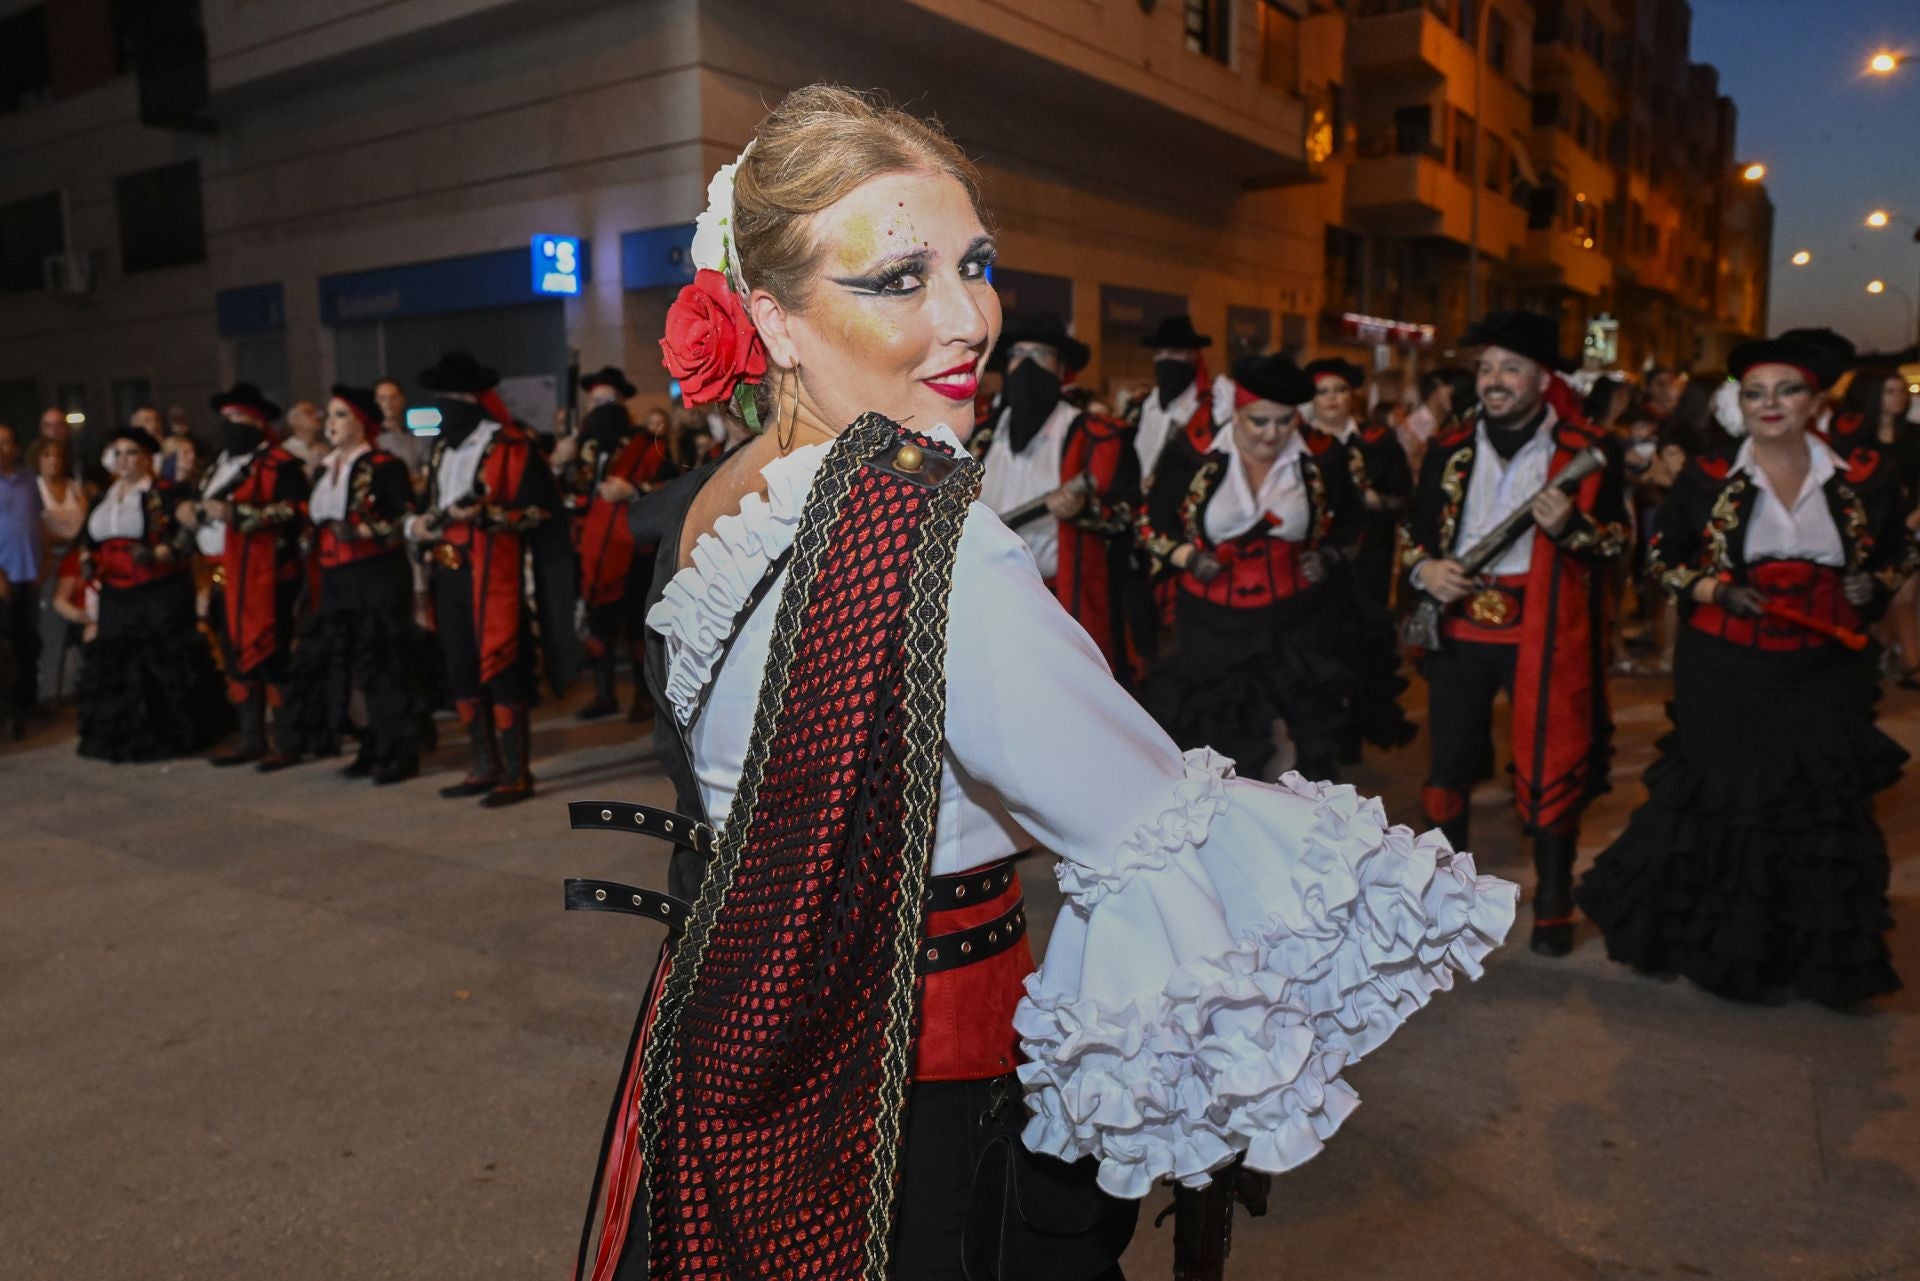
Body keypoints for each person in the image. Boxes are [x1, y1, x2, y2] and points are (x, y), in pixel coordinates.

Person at [570, 84, 1516, 1281]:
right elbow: (1145, 828)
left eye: (976, 262)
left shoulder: (725, 495)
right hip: (905, 1079)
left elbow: (804, 771)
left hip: (731, 1034)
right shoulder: (929, 538)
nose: (970, 317)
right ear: (776, 317)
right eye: (897, 279)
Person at [1577, 334, 1913, 1007]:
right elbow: (1661, 560)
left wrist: (1870, 584)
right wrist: (1713, 590)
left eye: (1786, 391)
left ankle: (1813, 958)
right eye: (1755, 393)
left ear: (1815, 401)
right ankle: (1722, 946)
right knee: (1728, 801)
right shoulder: (1707, 475)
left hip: (1824, 669)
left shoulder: (1862, 473)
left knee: (1816, 805)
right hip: (1725, 669)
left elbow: (1901, 546)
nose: (1770, 405)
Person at [1402, 308, 1628, 957]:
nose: (1495, 380)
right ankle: (1451, 896)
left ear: (1542, 378)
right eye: (1487, 368)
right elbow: (1414, 532)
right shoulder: (1448, 447)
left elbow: (1617, 543)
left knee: (1552, 753)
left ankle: (1553, 900)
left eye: (1511, 368)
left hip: (1545, 622)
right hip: (1462, 617)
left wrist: (1570, 529)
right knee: (1449, 759)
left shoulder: (1585, 450)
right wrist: (1426, 569)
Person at [1135, 354, 1410, 782]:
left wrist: (1329, 555)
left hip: (1298, 616)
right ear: (1237, 412)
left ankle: (1289, 831)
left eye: (1284, 422)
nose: (1272, 433)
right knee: (1223, 736)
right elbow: (1150, 518)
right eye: (1258, 421)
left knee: (1294, 734)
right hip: (1211, 623)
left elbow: (1355, 523)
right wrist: (1185, 557)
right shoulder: (1194, 453)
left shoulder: (1322, 455)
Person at [404, 350, 575, 807]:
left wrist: (489, 514)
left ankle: (517, 773)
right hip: (449, 571)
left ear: (468, 397)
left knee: (501, 666)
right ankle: (484, 765)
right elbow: (432, 503)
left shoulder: (511, 444)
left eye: (447, 397)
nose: (442, 406)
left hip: (494, 573)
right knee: (460, 666)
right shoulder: (441, 447)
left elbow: (543, 511)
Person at [974, 312, 1145, 681]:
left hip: (1062, 602)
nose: (1028, 366)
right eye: (1019, 355)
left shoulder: (1100, 439)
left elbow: (1131, 516)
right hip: (984, 598)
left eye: (1042, 356)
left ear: (1063, 370)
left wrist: (1086, 510)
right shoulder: (978, 435)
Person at [283, 385, 425, 783]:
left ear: (362, 423)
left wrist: (363, 529)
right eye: (329, 416)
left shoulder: (384, 465)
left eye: (341, 415)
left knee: (381, 662)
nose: (331, 423)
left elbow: (403, 519)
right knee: (348, 663)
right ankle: (370, 743)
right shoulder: (323, 469)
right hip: (335, 578)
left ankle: (399, 750)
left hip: (376, 575)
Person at [178, 382, 311, 769]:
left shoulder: (280, 464)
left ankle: (287, 740)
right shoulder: (218, 466)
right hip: (220, 576)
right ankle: (251, 737)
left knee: (272, 653)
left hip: (266, 577)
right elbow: (207, 508)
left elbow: (295, 511)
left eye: (236, 418)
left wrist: (237, 515)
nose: (228, 425)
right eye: (225, 419)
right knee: (235, 656)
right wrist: (190, 513)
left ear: (255, 422)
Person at [75, 426, 227, 760]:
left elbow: (187, 535)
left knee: (163, 658)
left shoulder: (167, 493)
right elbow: (87, 538)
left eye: (132, 453)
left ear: (147, 459)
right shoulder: (103, 497)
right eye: (119, 453)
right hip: (117, 593)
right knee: (119, 661)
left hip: (159, 590)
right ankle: (123, 735)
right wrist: (88, 559)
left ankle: (174, 732)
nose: (125, 461)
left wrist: (161, 553)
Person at [566, 400, 674, 721]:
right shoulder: (587, 450)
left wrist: (634, 491)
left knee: (637, 630)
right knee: (600, 628)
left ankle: (644, 698)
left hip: (634, 551)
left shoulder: (646, 445)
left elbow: (673, 490)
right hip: (593, 552)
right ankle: (604, 694)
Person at [1306, 357, 1413, 611]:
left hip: (1369, 555)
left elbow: (1407, 498)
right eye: (1323, 392)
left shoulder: (1378, 441)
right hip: (1313, 558)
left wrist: (1380, 502)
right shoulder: (1299, 444)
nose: (1332, 398)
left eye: (1340, 390)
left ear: (1352, 395)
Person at [1128, 315, 1227, 481]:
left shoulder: (1214, 406)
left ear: (1193, 355)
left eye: (1175, 352)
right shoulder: (1148, 405)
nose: (1166, 359)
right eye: (1160, 352)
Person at [31, 437, 87, 700]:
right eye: (46, 455)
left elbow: (86, 520)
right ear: (37, 460)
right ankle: (50, 690)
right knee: (52, 625)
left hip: (77, 559)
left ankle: (82, 683)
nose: (53, 460)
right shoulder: (35, 489)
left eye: (56, 455)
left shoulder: (74, 487)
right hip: (51, 559)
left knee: (81, 616)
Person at [0, 422, 43, 737]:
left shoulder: (29, 480)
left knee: (29, 644)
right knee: (5, 649)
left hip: (30, 575)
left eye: (6, 443)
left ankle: (26, 705)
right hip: (3, 579)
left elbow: (37, 523)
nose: (3, 450)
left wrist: (46, 563)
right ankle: (7, 713)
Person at [1401, 366, 1461, 468]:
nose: (1452, 390)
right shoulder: (1412, 424)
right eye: (1448, 385)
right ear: (1436, 386)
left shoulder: (1452, 422)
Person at [282, 400, 327, 479]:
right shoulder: (285, 451)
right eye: (308, 413)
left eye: (316, 412)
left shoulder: (325, 450)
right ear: (294, 421)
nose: (317, 416)